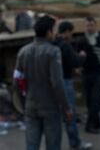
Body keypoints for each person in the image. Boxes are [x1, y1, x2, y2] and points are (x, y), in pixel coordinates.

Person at [14, 15, 72, 150]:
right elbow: (57, 83)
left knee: (32, 145)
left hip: (30, 106)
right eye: (54, 29)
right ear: (48, 32)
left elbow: (17, 81)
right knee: (53, 145)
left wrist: (24, 104)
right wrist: (66, 108)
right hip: (50, 107)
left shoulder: (23, 51)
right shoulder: (53, 52)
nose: (55, 33)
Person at [55, 21, 93, 150]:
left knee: (57, 116)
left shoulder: (53, 43)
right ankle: (75, 143)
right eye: (70, 32)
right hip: (65, 82)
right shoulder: (65, 45)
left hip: (54, 83)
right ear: (66, 31)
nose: (71, 35)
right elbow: (75, 61)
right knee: (70, 114)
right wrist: (81, 56)